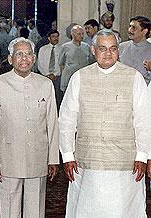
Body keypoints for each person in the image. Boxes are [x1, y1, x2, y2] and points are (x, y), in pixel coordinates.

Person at [59, 29, 151, 218]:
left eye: (113, 49)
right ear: (93, 50)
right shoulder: (79, 77)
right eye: (102, 48)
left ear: (119, 51)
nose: (108, 53)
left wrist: (143, 156)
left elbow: (144, 120)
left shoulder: (134, 78)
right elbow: (67, 120)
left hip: (125, 163)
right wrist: (67, 155)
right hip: (87, 161)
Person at [0, 37, 59, 218]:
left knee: (36, 209)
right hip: (8, 157)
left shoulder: (45, 84)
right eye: (19, 54)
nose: (24, 58)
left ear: (34, 58)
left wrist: (53, 158)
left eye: (28, 54)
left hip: (38, 157)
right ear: (10, 59)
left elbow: (53, 124)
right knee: (9, 209)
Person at [59, 25, 91, 92]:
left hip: (82, 78)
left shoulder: (87, 47)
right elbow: (61, 64)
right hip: (69, 78)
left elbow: (90, 62)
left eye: (82, 34)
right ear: (72, 34)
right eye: (79, 34)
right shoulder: (65, 47)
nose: (81, 36)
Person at [119, 16, 151, 84]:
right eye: (130, 26)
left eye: (134, 28)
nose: (130, 30)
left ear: (144, 31)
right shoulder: (121, 47)